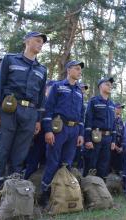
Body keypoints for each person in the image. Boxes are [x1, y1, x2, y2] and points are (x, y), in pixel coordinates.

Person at [0, 31, 48, 193]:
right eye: (37, 40)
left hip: (29, 113)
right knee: (2, 150)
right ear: (27, 41)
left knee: (20, 155)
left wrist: (38, 120)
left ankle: (12, 195)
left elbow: (41, 97)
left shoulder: (42, 69)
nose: (40, 44)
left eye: (42, 42)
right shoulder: (10, 59)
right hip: (9, 110)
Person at [39, 60, 85, 207]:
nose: (79, 72)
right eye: (77, 69)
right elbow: (49, 109)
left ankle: (62, 196)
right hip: (59, 129)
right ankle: (44, 196)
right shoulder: (58, 87)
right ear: (68, 70)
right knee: (53, 162)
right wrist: (48, 130)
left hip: (74, 130)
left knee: (67, 164)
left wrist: (81, 134)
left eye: (80, 70)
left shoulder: (79, 91)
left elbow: (82, 114)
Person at [84, 77, 116, 178]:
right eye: (107, 84)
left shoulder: (111, 104)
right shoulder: (94, 101)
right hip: (95, 137)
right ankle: (87, 188)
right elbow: (88, 120)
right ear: (100, 86)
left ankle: (100, 188)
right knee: (91, 163)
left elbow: (113, 123)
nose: (110, 86)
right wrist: (88, 139)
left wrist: (113, 140)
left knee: (104, 164)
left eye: (111, 85)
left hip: (108, 138)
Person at [24, 80, 56, 179]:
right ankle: (25, 182)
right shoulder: (40, 100)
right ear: (47, 88)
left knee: (44, 165)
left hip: (49, 138)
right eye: (52, 88)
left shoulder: (56, 103)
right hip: (36, 137)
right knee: (32, 163)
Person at [110, 103, 125, 174]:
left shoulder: (121, 121)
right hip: (111, 145)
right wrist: (114, 145)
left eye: (121, 108)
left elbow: (123, 134)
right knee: (109, 166)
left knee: (118, 168)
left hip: (119, 146)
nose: (120, 109)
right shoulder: (110, 119)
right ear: (114, 108)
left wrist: (122, 146)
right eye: (118, 108)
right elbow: (109, 133)